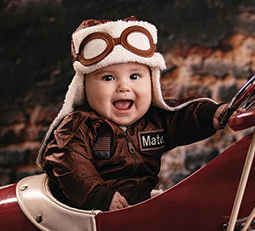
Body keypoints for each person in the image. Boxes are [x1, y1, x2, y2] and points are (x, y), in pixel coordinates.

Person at [36, 17, 230, 211]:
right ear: (84, 87)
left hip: (133, 212)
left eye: (135, 76)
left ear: (152, 83)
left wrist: (211, 114)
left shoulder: (155, 121)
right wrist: (98, 196)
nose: (123, 87)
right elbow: (68, 159)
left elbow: (182, 116)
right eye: (108, 77)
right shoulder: (78, 127)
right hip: (88, 218)